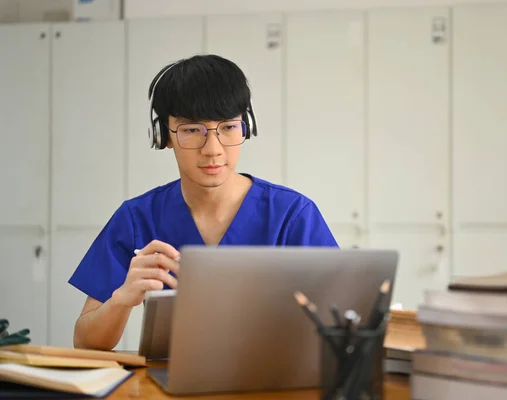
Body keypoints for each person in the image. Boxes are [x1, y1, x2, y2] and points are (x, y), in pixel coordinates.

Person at [68, 54, 338, 350]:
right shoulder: (137, 218)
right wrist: (123, 298)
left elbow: (338, 327)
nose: (213, 149)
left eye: (228, 128)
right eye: (192, 130)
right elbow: (85, 343)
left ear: (246, 128)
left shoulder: (292, 216)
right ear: (164, 136)